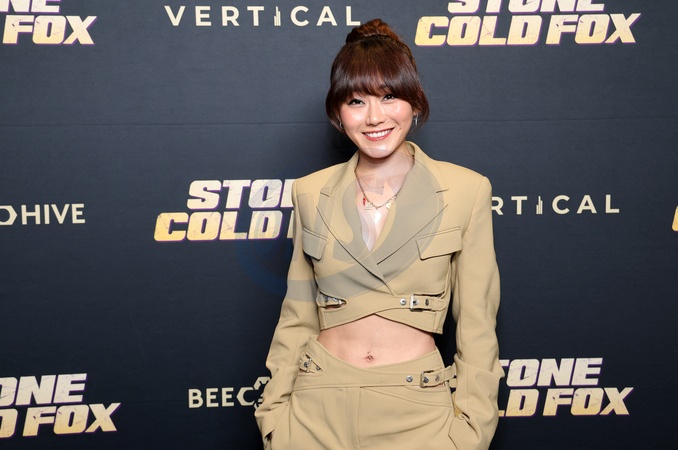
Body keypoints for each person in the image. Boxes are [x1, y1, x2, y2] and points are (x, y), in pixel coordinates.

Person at [255, 18, 503, 450]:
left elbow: (478, 324)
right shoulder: (309, 191)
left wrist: (471, 432)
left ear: (415, 103)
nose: (374, 117)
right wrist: (275, 418)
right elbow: (296, 317)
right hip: (315, 410)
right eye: (356, 101)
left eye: (389, 97)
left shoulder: (466, 189)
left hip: (417, 414)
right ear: (338, 112)